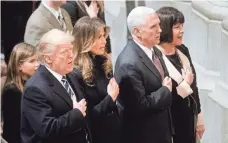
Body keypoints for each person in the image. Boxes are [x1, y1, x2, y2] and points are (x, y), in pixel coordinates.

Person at [114, 6, 173, 143]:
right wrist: (165, 90)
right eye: (153, 27)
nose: (160, 30)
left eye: (159, 24)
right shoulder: (128, 64)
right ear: (137, 32)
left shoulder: (154, 50)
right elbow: (138, 106)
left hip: (161, 131)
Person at [21, 29, 90, 143]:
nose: (71, 56)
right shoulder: (35, 88)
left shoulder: (72, 75)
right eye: (64, 52)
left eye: (71, 50)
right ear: (48, 58)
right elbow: (47, 129)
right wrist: (76, 114)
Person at [156, 7, 205, 143]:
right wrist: (185, 85)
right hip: (171, 123)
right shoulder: (155, 57)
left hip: (189, 118)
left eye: (182, 26)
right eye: (177, 27)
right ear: (165, 29)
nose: (182, 31)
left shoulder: (182, 50)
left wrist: (199, 116)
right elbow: (162, 96)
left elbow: (194, 87)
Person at [72, 16, 121, 143]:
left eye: (104, 36)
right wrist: (111, 98)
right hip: (97, 135)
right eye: (99, 37)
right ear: (85, 40)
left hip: (113, 129)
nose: (104, 41)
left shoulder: (102, 61)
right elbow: (88, 116)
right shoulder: (76, 72)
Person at [2, 43, 39, 143]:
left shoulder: (31, 84)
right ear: (19, 66)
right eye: (32, 61)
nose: (37, 64)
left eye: (37, 60)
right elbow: (14, 129)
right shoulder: (12, 92)